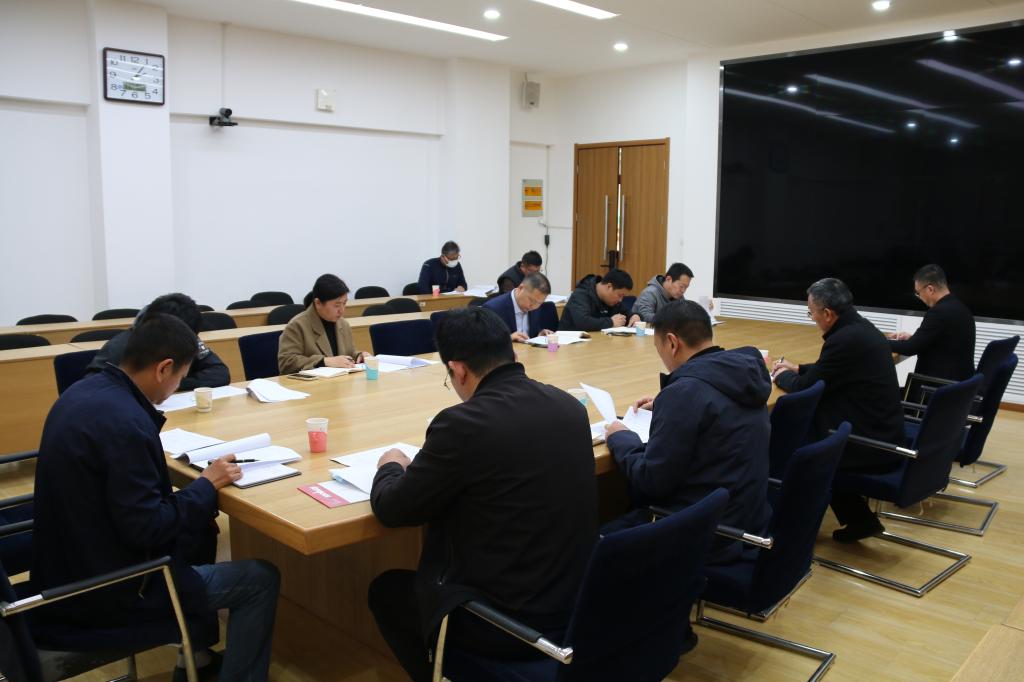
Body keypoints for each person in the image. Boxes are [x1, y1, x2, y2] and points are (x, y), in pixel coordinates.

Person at [32, 314, 280, 681]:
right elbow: (148, 528)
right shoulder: (126, 423)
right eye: (181, 377)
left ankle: (196, 658)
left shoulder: (86, 391)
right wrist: (206, 484)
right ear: (164, 368)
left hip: (65, 563)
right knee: (261, 579)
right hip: (106, 590)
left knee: (201, 529)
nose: (179, 385)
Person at [367, 307, 597, 682]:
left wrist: (390, 466)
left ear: (458, 370)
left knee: (386, 592)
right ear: (512, 353)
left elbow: (393, 509)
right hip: (576, 608)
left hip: (503, 624)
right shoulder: (569, 406)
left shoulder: (462, 424)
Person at [604, 299, 771, 567]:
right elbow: (713, 406)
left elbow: (651, 480)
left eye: (658, 348)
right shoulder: (743, 374)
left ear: (672, 343)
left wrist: (620, 436)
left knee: (589, 544)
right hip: (746, 520)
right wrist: (667, 402)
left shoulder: (685, 394)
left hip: (703, 535)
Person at [772, 278, 904, 543]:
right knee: (812, 428)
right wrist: (799, 368)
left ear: (828, 314)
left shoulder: (844, 339)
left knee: (794, 440)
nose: (812, 318)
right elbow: (833, 369)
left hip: (870, 442)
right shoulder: (860, 327)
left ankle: (790, 525)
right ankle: (861, 520)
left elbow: (808, 387)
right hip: (882, 428)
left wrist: (779, 376)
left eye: (811, 313)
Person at [87, 292, 229, 390]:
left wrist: (172, 382)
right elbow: (92, 388)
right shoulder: (122, 346)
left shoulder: (187, 337)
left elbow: (219, 373)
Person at [886, 264, 976, 381]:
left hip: (937, 386)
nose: (919, 297)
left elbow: (910, 348)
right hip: (959, 385)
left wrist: (879, 341)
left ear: (930, 289)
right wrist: (914, 338)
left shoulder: (939, 312)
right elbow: (943, 342)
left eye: (918, 293)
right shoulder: (960, 307)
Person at [278, 274, 365, 374]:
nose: (342, 310)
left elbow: (349, 353)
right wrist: (324, 361)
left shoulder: (343, 324)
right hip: (311, 383)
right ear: (318, 303)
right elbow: (286, 362)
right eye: (336, 305)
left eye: (344, 303)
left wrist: (359, 356)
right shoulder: (297, 325)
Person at [483, 272, 555, 342]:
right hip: (509, 350)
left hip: (529, 350)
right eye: (531, 300)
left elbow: (532, 333)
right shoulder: (493, 309)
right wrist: (508, 338)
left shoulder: (535, 307)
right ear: (521, 288)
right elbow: (484, 343)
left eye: (539, 303)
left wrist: (540, 334)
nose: (533, 306)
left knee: (553, 346)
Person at [559, 269, 638, 331]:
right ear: (609, 287)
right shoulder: (580, 294)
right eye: (620, 295)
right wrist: (611, 322)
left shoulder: (611, 300)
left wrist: (634, 316)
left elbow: (626, 312)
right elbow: (582, 322)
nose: (620, 300)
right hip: (570, 343)